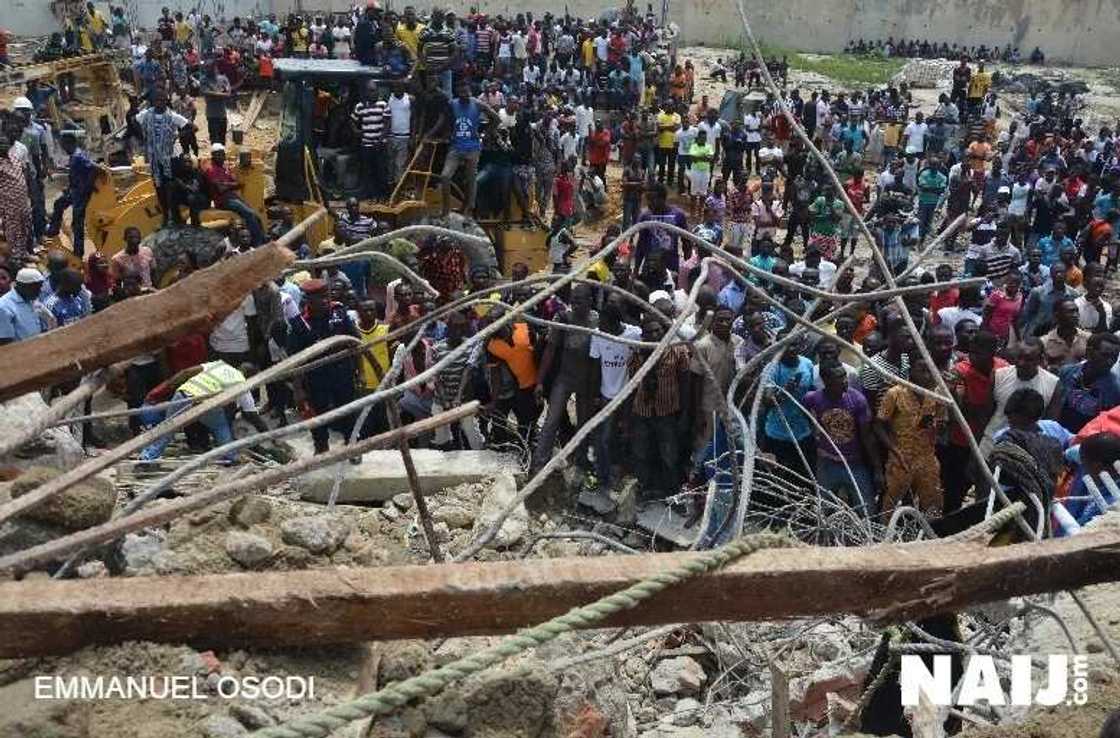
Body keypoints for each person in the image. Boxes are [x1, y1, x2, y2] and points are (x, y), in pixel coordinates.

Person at [138, 360, 270, 463]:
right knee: (220, 427)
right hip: (206, 404)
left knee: (169, 428)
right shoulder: (241, 384)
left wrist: (164, 388)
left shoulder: (219, 365)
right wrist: (268, 434)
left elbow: (186, 372)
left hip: (184, 394)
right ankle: (230, 456)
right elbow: (251, 415)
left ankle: (147, 457)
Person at [286, 278, 362, 457]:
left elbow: (355, 341)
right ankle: (321, 448)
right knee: (317, 414)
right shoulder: (300, 323)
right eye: (320, 298)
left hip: (342, 372)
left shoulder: (339, 312)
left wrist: (360, 372)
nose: (326, 301)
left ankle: (352, 447)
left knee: (348, 411)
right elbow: (295, 359)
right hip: (316, 377)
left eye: (326, 296)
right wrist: (298, 390)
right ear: (309, 301)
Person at [803, 361, 882, 514]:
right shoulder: (813, 398)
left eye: (844, 376)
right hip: (827, 463)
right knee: (825, 508)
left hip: (854, 462)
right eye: (839, 377)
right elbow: (806, 415)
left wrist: (877, 468)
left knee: (867, 509)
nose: (845, 380)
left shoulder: (857, 400)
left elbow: (867, 437)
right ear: (826, 380)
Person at [628, 313, 691, 500]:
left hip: (667, 412)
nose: (655, 335)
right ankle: (645, 489)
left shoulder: (677, 350)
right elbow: (632, 383)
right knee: (641, 453)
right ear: (643, 335)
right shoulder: (637, 352)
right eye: (649, 332)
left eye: (658, 331)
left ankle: (672, 494)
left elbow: (685, 383)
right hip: (642, 410)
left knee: (669, 455)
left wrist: (685, 413)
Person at [875, 358, 946, 515]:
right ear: (911, 370)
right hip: (901, 458)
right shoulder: (895, 394)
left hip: (927, 457)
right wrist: (893, 450)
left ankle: (930, 529)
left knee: (933, 504)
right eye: (922, 370)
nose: (927, 376)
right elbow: (878, 425)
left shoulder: (937, 394)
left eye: (929, 371)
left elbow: (942, 425)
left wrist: (934, 426)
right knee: (890, 504)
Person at [438, 82, 498, 216]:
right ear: (458, 93)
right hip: (455, 147)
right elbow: (444, 120)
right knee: (445, 176)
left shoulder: (477, 104)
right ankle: (446, 210)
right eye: (462, 93)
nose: (465, 95)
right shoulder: (452, 104)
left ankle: (469, 210)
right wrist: (445, 134)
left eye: (467, 92)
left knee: (471, 179)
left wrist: (485, 134)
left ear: (470, 92)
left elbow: (496, 118)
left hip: (473, 147)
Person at [135, 91, 189, 226]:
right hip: (155, 158)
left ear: (166, 101)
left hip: (172, 157)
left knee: (172, 187)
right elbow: (133, 121)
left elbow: (193, 127)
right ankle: (165, 215)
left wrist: (176, 136)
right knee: (159, 187)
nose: (159, 102)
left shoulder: (173, 116)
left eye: (162, 100)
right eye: (157, 100)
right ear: (153, 101)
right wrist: (144, 136)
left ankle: (176, 216)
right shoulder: (146, 114)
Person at [45, 131, 101, 257]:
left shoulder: (78, 156)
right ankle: (53, 229)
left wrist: (88, 187)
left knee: (77, 223)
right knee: (59, 203)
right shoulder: (75, 155)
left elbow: (94, 168)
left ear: (69, 144)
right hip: (75, 191)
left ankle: (78, 252)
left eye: (63, 145)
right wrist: (70, 187)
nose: (63, 149)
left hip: (81, 194)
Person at [202, 143, 267, 246]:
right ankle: (257, 243)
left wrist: (226, 184)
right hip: (223, 200)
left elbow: (237, 184)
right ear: (213, 155)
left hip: (231, 196)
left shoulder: (223, 168)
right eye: (219, 155)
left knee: (255, 215)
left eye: (223, 154)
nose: (222, 157)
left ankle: (263, 239)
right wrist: (230, 185)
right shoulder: (211, 170)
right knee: (249, 214)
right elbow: (221, 189)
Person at [353, 81, 390, 200]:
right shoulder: (360, 106)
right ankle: (372, 195)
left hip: (380, 145)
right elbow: (352, 120)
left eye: (375, 90)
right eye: (371, 91)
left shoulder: (383, 105)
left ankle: (383, 196)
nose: (373, 93)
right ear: (366, 92)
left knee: (381, 171)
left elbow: (387, 124)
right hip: (366, 144)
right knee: (368, 171)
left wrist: (380, 139)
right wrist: (356, 131)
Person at [0, 268, 45, 344]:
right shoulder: (4, 307)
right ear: (22, 286)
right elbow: (5, 343)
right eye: (36, 288)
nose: (40, 291)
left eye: (40, 287)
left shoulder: (32, 299)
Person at [201, 65, 231, 147]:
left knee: (222, 138)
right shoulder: (204, 80)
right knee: (214, 139)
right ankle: (216, 153)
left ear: (215, 68)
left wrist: (213, 94)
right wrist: (221, 94)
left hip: (222, 113)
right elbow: (205, 92)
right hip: (212, 115)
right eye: (207, 68)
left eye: (210, 67)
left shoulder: (223, 79)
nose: (209, 70)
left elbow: (228, 93)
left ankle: (221, 153)